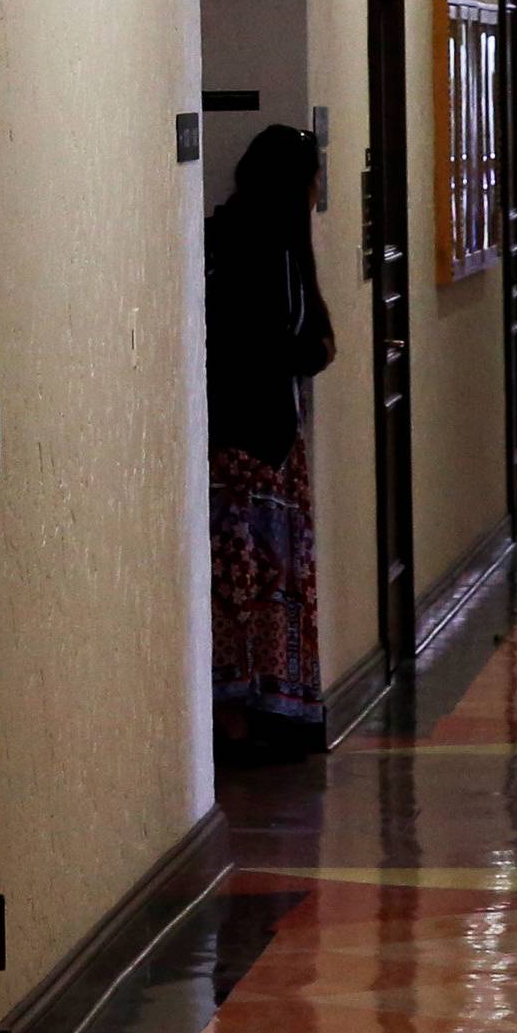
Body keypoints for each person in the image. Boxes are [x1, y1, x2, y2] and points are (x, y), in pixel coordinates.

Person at [205, 124, 337, 760]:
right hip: (249, 443)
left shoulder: (255, 240)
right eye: (312, 179)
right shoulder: (254, 247)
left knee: (257, 580)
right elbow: (272, 341)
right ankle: (245, 713)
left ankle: (261, 706)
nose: (317, 193)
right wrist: (304, 350)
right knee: (248, 582)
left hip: (263, 440)